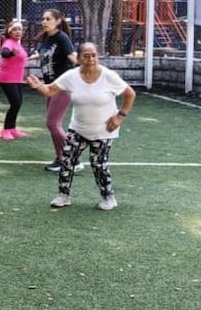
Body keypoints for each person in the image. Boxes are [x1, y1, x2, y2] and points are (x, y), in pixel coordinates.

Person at [26, 42, 136, 210]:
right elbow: (50, 91)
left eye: (94, 55)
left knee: (98, 164)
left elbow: (130, 94)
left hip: (104, 130)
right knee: (67, 160)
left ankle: (108, 197)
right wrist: (39, 86)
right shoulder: (71, 76)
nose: (91, 59)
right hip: (78, 128)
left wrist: (120, 117)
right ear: (78, 58)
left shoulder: (108, 75)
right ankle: (63, 196)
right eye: (86, 56)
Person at [33, 8, 79, 172]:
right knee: (52, 125)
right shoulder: (46, 38)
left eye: (48, 19)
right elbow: (43, 54)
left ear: (58, 21)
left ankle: (73, 158)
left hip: (62, 86)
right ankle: (61, 159)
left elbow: (72, 56)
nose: (44, 21)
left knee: (53, 123)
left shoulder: (61, 37)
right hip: (49, 88)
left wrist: (87, 68)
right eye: (43, 19)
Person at [0, 20, 33, 140]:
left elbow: (21, 58)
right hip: (7, 78)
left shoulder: (18, 43)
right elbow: (4, 53)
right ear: (9, 31)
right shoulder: (9, 42)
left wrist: (34, 56)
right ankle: (5, 130)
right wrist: (11, 53)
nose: (18, 32)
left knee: (18, 104)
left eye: (20, 29)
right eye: (15, 29)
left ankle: (12, 129)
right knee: (15, 103)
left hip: (17, 79)